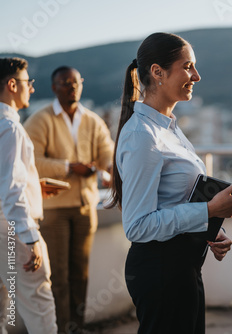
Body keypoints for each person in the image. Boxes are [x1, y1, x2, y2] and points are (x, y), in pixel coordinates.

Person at [106, 32, 232, 334]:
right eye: (188, 66)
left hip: (183, 267)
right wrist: (207, 210)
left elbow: (173, 201)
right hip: (161, 271)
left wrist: (211, 229)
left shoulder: (168, 128)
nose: (197, 75)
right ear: (157, 72)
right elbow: (138, 226)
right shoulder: (143, 135)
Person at [23, 66, 114, 333]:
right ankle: (61, 329)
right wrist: (68, 167)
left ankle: (77, 327)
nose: (71, 87)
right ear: (54, 88)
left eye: (75, 82)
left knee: (80, 275)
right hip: (53, 210)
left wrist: (108, 169)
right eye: (65, 83)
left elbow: (106, 151)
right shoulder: (40, 119)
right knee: (58, 277)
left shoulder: (92, 120)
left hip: (86, 207)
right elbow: (30, 162)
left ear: (81, 84)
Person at [0, 57, 57, 333]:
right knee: (39, 303)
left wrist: (35, 185)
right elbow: (10, 189)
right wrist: (30, 237)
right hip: (11, 228)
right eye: (27, 83)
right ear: (12, 85)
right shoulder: (10, 127)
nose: (31, 89)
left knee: (2, 306)